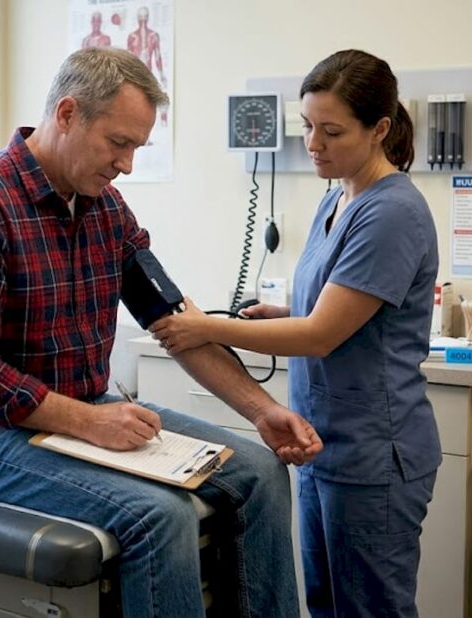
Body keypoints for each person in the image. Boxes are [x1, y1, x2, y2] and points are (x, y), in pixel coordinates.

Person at [0, 47, 322, 618]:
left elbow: (175, 322)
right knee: (158, 515)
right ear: (67, 114)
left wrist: (260, 411)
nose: (127, 165)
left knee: (260, 472)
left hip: (85, 407)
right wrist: (88, 421)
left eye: (136, 146)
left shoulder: (106, 210)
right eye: (119, 143)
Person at [149, 49, 441, 617]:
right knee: (327, 603)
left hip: (374, 455)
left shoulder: (393, 212)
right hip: (321, 442)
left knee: (370, 608)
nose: (314, 144)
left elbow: (322, 336)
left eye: (332, 131)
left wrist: (207, 327)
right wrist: (280, 312)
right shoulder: (337, 197)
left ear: (380, 129)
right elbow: (334, 307)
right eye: (307, 126)